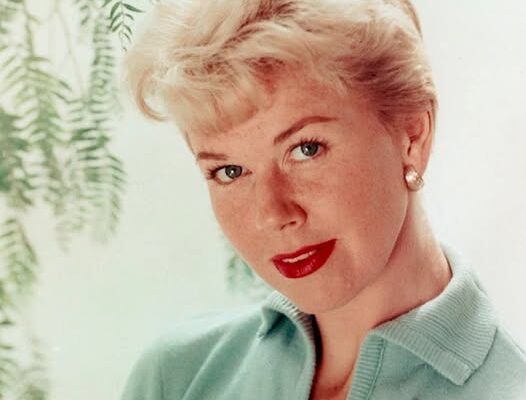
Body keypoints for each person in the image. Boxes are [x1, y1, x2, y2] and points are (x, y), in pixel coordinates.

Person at [121, 0, 526, 399]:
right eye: (230, 171)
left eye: (306, 149)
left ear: (413, 136)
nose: (272, 214)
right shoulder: (178, 379)